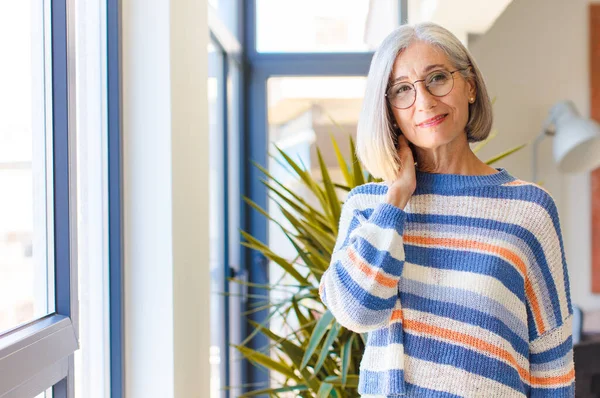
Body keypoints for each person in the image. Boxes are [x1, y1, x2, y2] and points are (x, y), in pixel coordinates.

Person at [318, 22, 575, 397]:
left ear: (469, 85)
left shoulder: (528, 210)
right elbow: (357, 313)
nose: (424, 101)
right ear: (388, 109)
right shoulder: (368, 207)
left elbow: (551, 357)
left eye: (437, 78)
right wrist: (396, 199)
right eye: (402, 90)